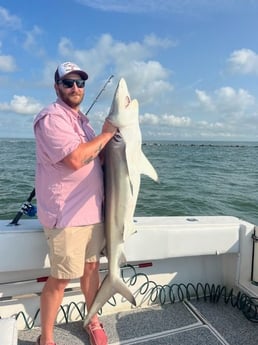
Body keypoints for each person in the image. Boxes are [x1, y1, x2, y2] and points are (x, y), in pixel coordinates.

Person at [33, 61, 117, 345]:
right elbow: (75, 158)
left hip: (93, 211)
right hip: (66, 215)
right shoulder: (51, 118)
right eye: (68, 82)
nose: (75, 88)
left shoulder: (83, 123)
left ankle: (91, 318)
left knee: (91, 269)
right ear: (57, 87)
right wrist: (107, 133)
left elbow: (96, 157)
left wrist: (114, 142)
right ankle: (46, 338)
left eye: (80, 83)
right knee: (61, 278)